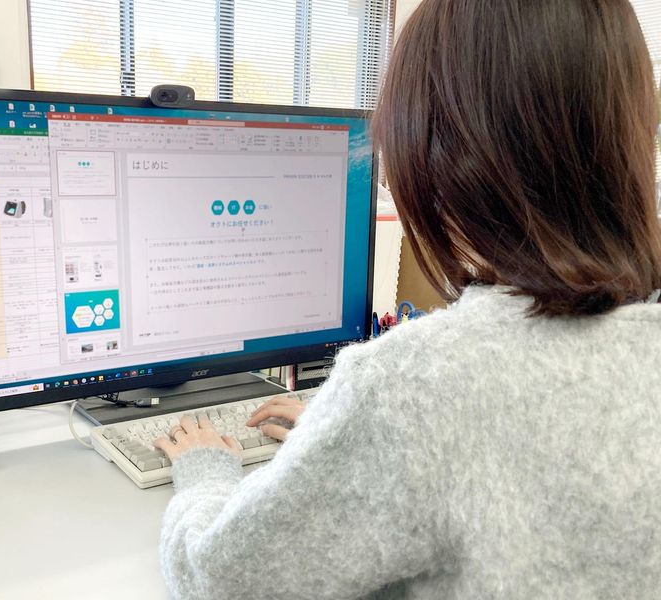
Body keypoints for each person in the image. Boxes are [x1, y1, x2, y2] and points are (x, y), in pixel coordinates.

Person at [152, 0, 661, 597]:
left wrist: (206, 470)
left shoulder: (415, 386)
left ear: (439, 151)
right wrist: (347, 444)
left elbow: (218, 578)